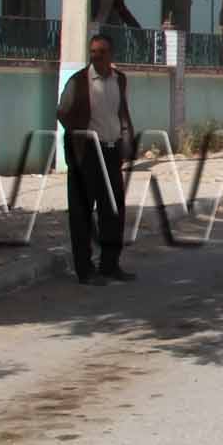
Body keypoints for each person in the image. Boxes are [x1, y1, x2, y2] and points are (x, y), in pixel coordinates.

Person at [55, 29, 138, 286]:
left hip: (111, 152)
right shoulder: (79, 82)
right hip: (87, 153)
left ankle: (110, 265)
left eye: (101, 53)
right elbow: (63, 111)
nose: (96, 57)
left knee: (113, 211)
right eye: (92, 53)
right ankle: (85, 269)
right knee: (81, 213)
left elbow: (122, 113)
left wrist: (126, 143)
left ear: (110, 54)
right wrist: (79, 134)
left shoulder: (119, 80)